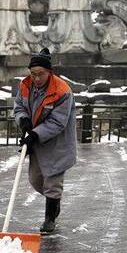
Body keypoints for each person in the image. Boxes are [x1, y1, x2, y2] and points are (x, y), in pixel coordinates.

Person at [13, 47, 77, 233]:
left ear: (49, 72)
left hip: (57, 143)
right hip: (36, 143)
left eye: (41, 74)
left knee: (52, 183)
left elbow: (58, 121)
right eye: (33, 74)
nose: (36, 78)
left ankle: (49, 219)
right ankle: (54, 202)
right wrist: (24, 121)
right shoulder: (25, 86)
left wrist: (35, 133)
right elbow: (19, 107)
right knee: (35, 179)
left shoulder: (62, 91)